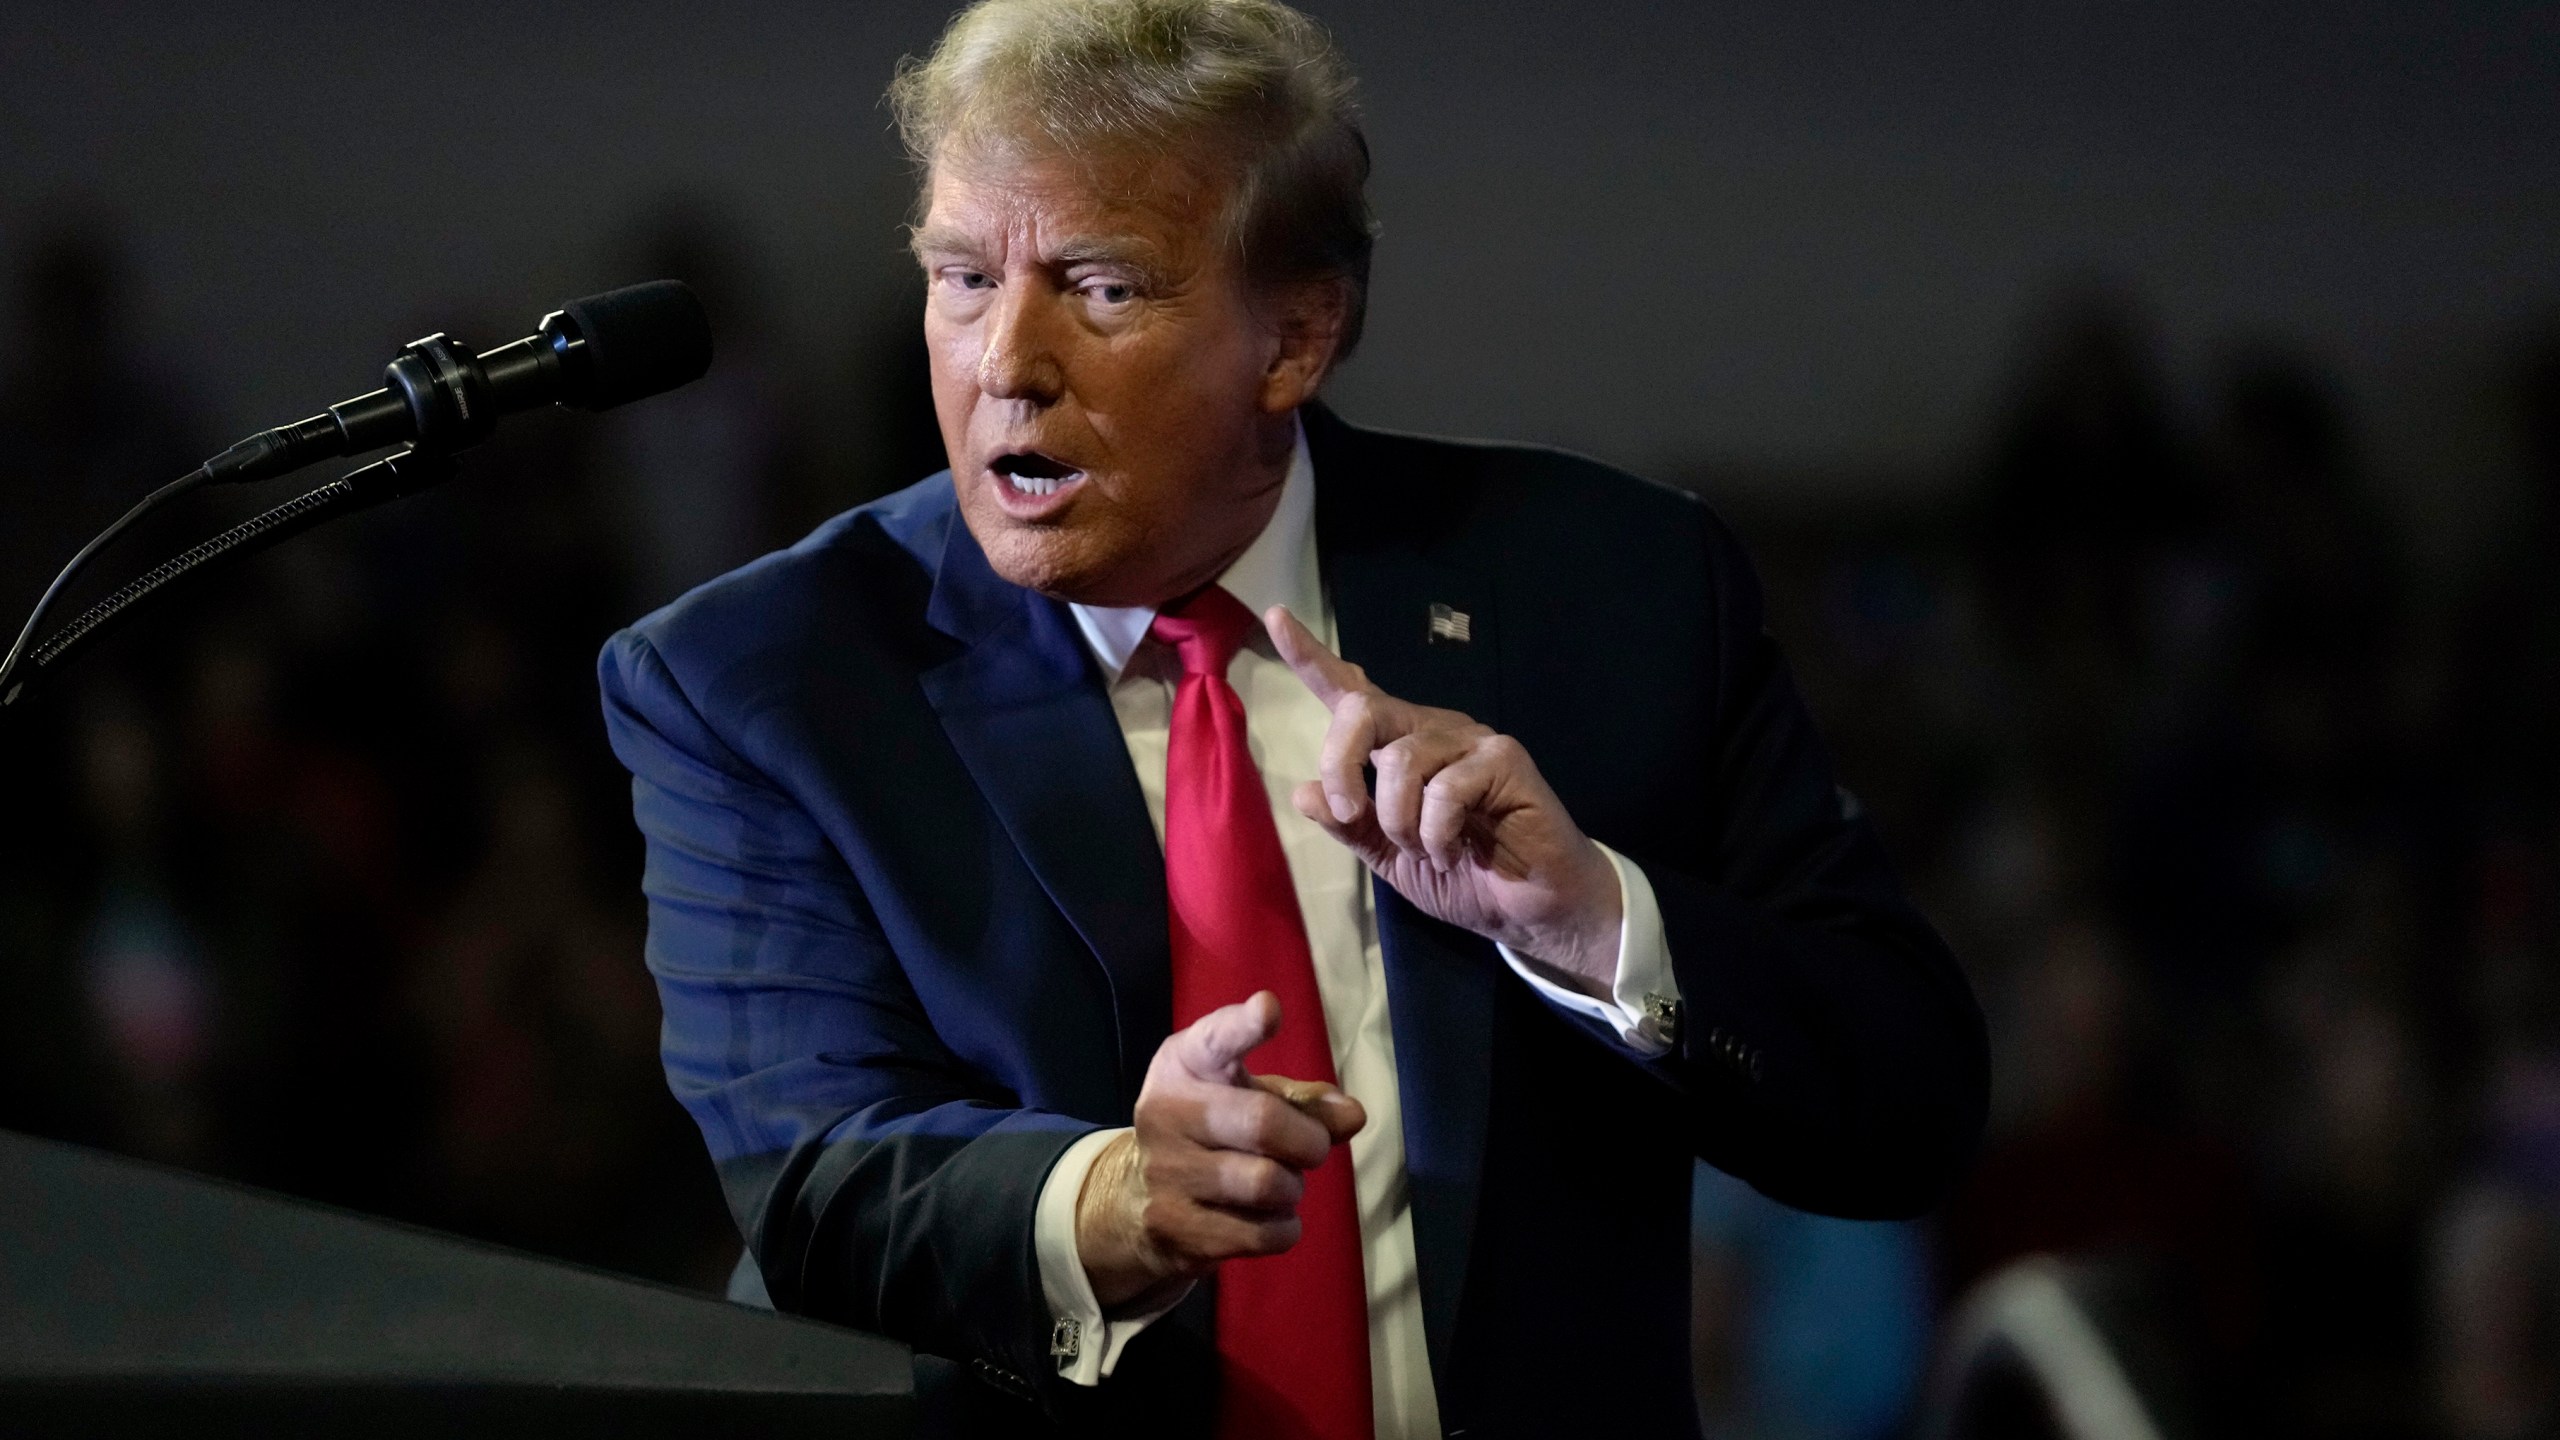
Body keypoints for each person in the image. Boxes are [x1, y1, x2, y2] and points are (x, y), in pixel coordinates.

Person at [597, 2, 1986, 1435]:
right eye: (962, 276)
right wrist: (1115, 1198)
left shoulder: (1615, 591)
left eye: (1104, 288)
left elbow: (1911, 1103)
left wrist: (1598, 926)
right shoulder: (765, 679)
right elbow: (814, 1186)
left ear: (1296, 337)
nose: (1006, 360)